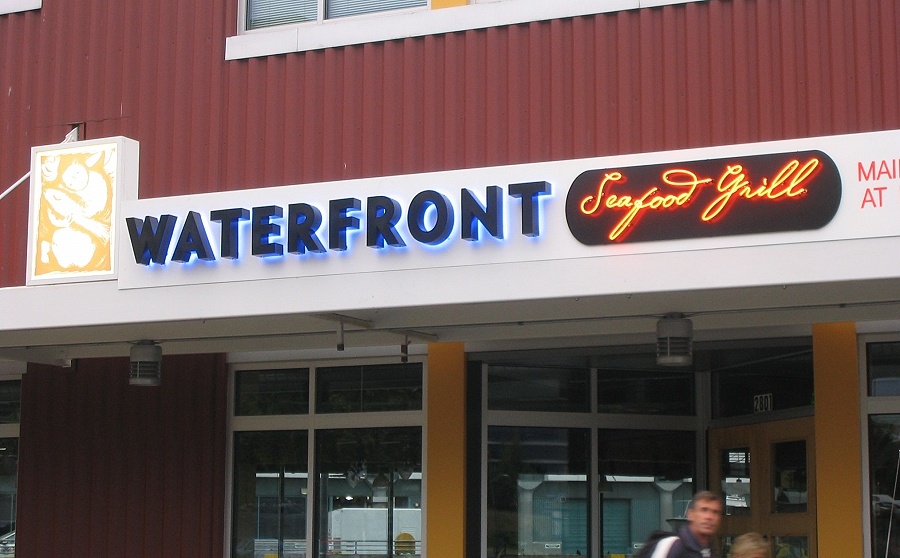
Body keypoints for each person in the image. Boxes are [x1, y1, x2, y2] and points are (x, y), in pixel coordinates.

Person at [659, 490, 724, 558]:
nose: (709, 517)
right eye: (704, 510)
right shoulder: (672, 546)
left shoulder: (711, 551)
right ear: (690, 514)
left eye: (715, 512)